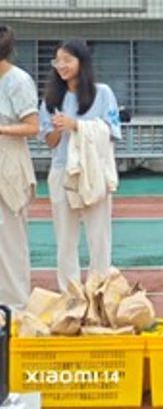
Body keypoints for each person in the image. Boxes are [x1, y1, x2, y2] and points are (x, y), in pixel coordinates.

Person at [39, 39, 121, 291]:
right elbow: (50, 141)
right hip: (62, 171)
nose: (61, 66)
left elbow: (112, 131)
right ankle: (70, 293)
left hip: (94, 172)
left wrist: (77, 125)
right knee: (65, 239)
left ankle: (99, 291)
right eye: (57, 61)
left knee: (99, 237)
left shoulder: (103, 93)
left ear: (81, 62)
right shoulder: (51, 99)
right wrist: (58, 127)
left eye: (67, 60)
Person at [0, 26, 38, 309]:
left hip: (9, 162)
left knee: (9, 239)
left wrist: (1, 129)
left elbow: (33, 126)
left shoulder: (18, 81)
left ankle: (14, 308)